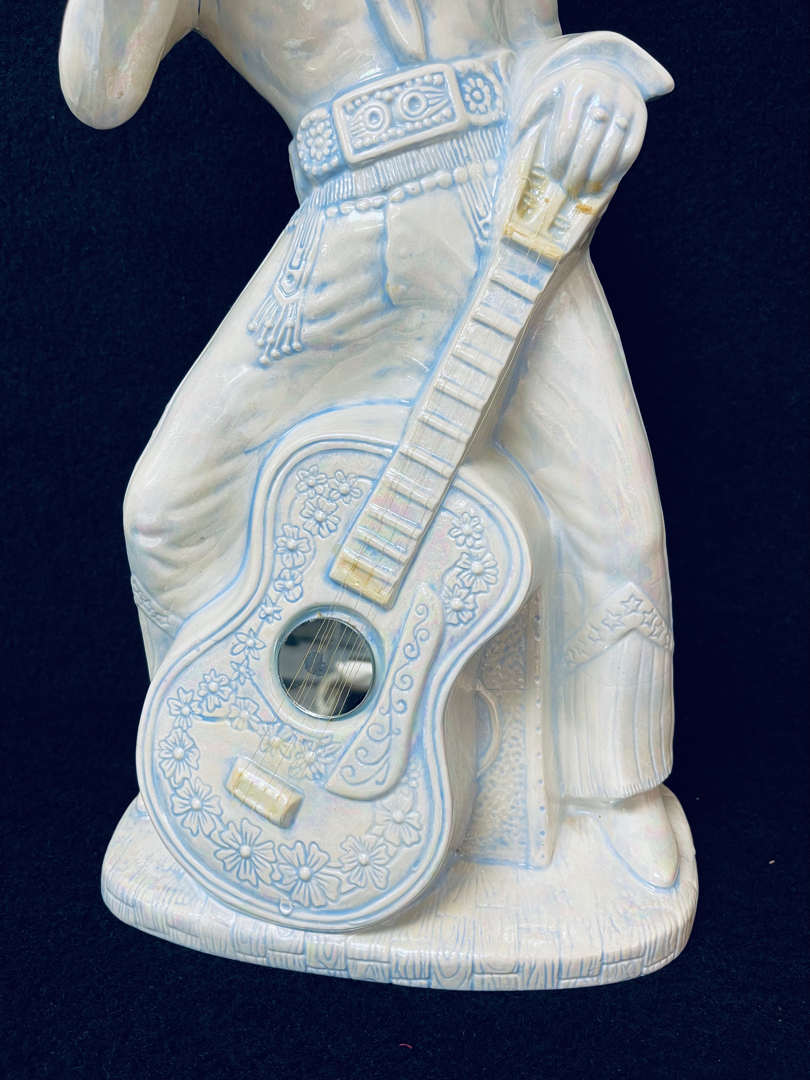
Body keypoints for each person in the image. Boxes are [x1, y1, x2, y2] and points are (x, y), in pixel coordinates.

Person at [60, 0, 680, 887]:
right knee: (165, 510)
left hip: (497, 193)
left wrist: (589, 77)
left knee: (615, 520)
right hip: (342, 220)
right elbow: (100, 93)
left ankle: (613, 796)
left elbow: (537, 49)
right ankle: (210, 753)